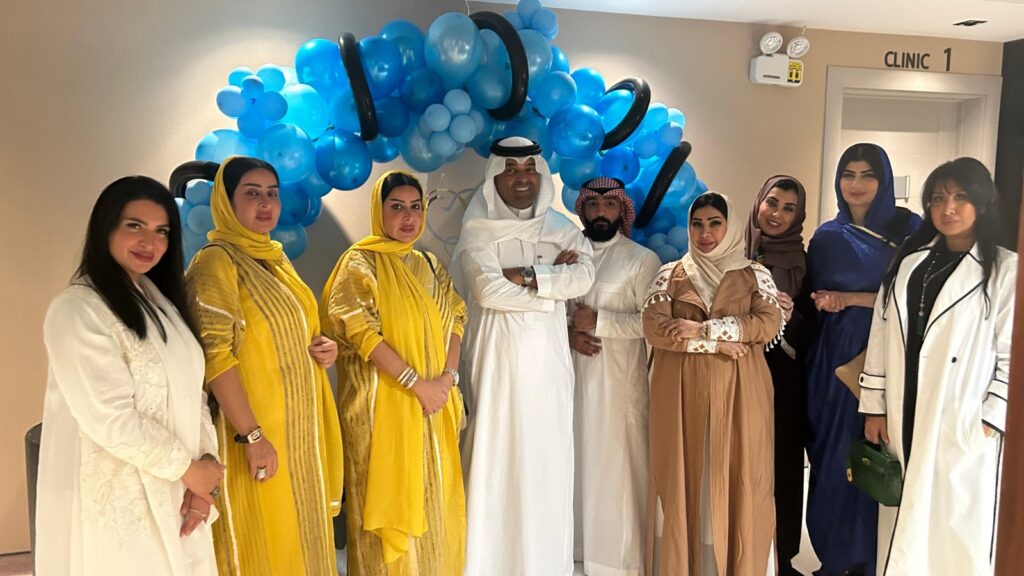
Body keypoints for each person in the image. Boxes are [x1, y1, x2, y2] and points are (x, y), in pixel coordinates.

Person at [36, 176, 223, 575]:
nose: (149, 242)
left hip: (181, 491)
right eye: (134, 226)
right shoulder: (77, 310)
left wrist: (206, 467)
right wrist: (190, 471)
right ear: (105, 227)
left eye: (161, 231)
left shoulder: (160, 303)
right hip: (122, 498)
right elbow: (110, 418)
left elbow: (193, 392)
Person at [185, 156, 343, 575]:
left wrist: (323, 347)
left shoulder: (274, 258)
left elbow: (297, 328)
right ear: (226, 201)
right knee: (264, 543)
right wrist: (253, 436)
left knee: (300, 542)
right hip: (253, 434)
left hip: (297, 434)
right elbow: (216, 355)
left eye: (272, 193)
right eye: (251, 193)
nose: (265, 203)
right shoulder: (217, 262)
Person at [859, 158, 1015, 575]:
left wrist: (987, 421)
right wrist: (874, 406)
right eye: (938, 198)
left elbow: (1012, 356)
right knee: (904, 519)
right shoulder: (910, 263)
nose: (949, 208)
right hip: (904, 406)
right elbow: (880, 334)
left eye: (961, 197)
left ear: (983, 202)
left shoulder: (1006, 270)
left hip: (960, 416)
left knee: (954, 529)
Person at [452, 137, 595, 576]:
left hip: (548, 365)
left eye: (529, 168)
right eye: (511, 169)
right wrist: (551, 287)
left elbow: (583, 279)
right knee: (495, 453)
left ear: (541, 175)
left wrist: (526, 275)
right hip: (496, 362)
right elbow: (487, 291)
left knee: (545, 459)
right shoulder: (478, 228)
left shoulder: (561, 228)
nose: (521, 178)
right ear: (494, 176)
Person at [320, 170, 468, 575]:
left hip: (433, 409)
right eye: (396, 207)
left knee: (434, 509)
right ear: (379, 211)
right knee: (385, 515)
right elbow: (361, 332)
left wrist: (446, 381)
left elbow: (457, 317)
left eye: (415, 207)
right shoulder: (359, 264)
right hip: (380, 412)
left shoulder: (430, 265)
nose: (408, 217)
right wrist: (417, 386)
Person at [643, 191, 785, 576]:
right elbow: (655, 329)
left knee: (740, 474)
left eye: (714, 224)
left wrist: (702, 328)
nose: (705, 234)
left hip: (741, 393)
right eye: (697, 224)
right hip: (680, 393)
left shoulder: (755, 275)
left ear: (730, 226)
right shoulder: (670, 274)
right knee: (682, 475)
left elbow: (766, 324)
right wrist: (717, 344)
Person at [804, 143, 921, 576]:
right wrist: (823, 301)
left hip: (883, 353)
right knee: (831, 455)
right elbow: (812, 296)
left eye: (867, 174)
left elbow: (914, 296)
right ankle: (832, 557)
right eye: (847, 174)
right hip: (833, 358)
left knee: (875, 453)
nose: (855, 184)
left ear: (884, 179)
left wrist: (849, 298)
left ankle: (870, 560)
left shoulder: (910, 230)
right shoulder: (826, 238)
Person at [569, 177, 661, 576]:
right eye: (593, 205)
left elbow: (652, 323)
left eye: (609, 205)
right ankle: (575, 551)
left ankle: (619, 562)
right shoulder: (567, 255)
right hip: (570, 381)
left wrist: (599, 321)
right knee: (574, 463)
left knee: (617, 470)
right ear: (584, 210)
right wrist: (569, 334)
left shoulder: (641, 260)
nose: (601, 212)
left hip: (619, 387)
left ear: (621, 210)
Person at [744, 175, 814, 576]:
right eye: (772, 203)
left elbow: (816, 329)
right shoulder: (734, 252)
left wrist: (791, 316)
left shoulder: (805, 262)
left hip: (783, 381)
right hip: (737, 373)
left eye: (789, 208)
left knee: (782, 470)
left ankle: (782, 559)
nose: (777, 214)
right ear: (759, 203)